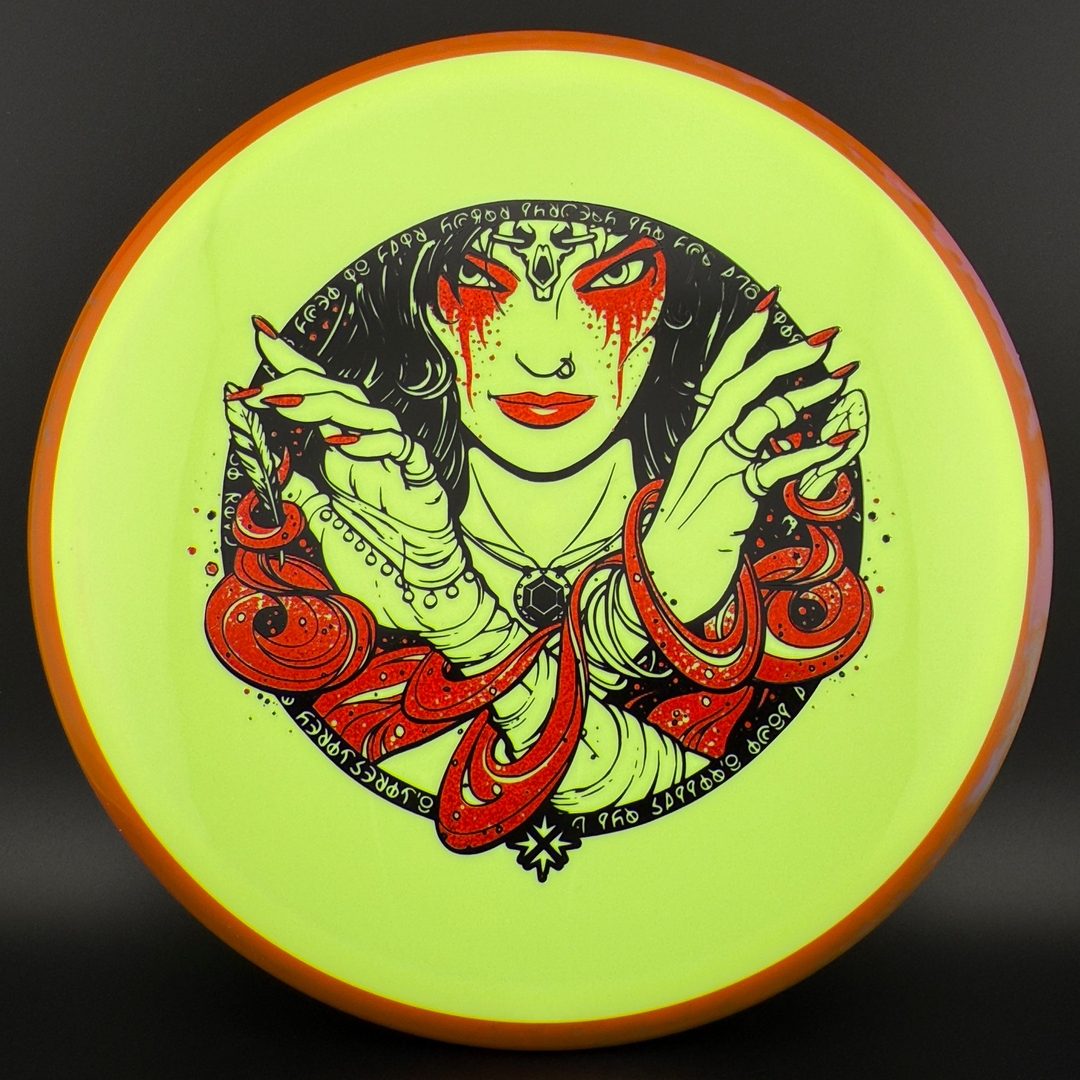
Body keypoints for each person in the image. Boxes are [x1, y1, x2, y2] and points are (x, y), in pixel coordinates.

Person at [207, 201, 871, 854]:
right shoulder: (343, 561)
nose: (545, 356)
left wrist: (454, 611)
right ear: (431, 314)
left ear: (665, 313)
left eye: (613, 280)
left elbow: (734, 823)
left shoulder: (754, 582)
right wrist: (634, 608)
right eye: (482, 281)